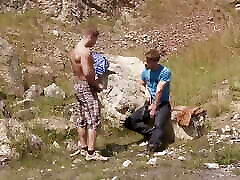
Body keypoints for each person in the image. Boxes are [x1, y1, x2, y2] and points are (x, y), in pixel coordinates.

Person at [69, 28, 108, 161]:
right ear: (91, 37)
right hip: (86, 85)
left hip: (77, 84)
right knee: (94, 117)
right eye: (95, 40)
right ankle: (91, 153)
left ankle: (83, 147)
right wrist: (97, 84)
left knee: (82, 117)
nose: (95, 43)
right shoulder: (85, 52)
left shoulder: (74, 50)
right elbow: (87, 73)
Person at [124, 49, 172, 152]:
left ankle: (153, 145)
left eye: (149, 61)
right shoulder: (146, 72)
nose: (147, 63)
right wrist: (146, 91)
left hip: (162, 103)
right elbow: (141, 83)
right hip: (149, 103)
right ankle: (151, 133)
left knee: (159, 124)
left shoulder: (165, 72)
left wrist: (155, 107)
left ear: (155, 61)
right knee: (130, 121)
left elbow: (159, 90)